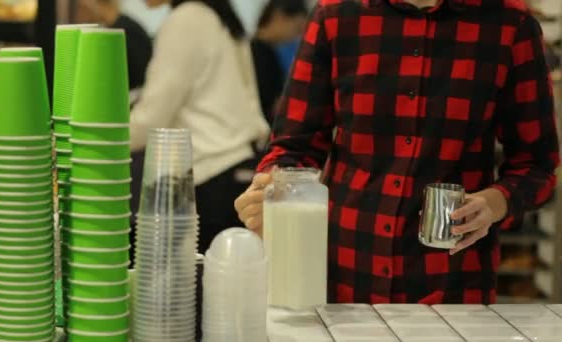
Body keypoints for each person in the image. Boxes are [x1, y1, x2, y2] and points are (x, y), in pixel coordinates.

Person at [235, 0, 560, 305]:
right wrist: (272, 187)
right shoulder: (335, 15)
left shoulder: (510, 23)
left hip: (453, 282)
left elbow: (538, 163)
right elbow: (294, 146)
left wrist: (496, 202)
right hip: (343, 273)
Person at [131, 0, 270, 254]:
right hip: (239, 168)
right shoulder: (218, 15)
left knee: (200, 287)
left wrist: (94, 140)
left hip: (211, 177)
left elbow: (151, 118)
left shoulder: (186, 19)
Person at [74, 0, 153, 90]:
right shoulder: (122, 28)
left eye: (81, 7)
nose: (79, 14)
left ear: (93, 4)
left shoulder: (125, 32)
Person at [252, 0, 307, 122]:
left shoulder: (269, 52)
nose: (296, 36)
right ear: (279, 16)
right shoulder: (257, 54)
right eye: (297, 28)